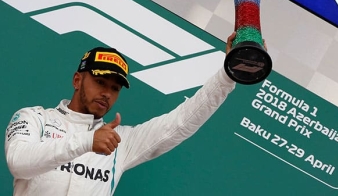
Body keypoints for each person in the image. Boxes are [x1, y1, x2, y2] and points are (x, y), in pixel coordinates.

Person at [5, 32, 242, 196]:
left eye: (115, 88)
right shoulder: (34, 118)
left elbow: (180, 122)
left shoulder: (121, 141)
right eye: (100, 82)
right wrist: (87, 141)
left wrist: (227, 76)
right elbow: (19, 163)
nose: (107, 93)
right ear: (77, 80)